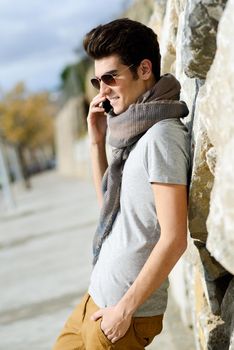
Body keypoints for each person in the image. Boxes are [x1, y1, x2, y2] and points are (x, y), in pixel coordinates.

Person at [53, 18, 190, 350]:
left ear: (145, 69)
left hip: (122, 316)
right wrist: (96, 143)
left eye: (111, 78)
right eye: (98, 80)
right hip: (93, 302)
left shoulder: (161, 136)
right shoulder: (133, 135)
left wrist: (124, 310)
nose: (102, 91)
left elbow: (174, 239)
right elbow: (111, 216)